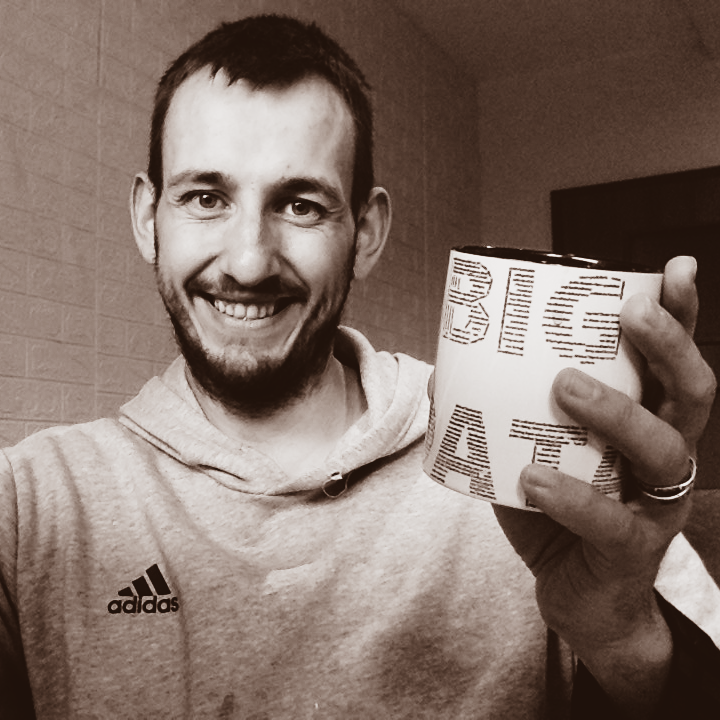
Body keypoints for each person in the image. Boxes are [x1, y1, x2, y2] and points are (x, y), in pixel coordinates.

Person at [1, 13, 719, 719]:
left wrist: (626, 641)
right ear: (147, 217)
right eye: (206, 198)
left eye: (301, 205)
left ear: (366, 233)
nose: (248, 262)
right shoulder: (29, 507)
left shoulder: (521, 446)